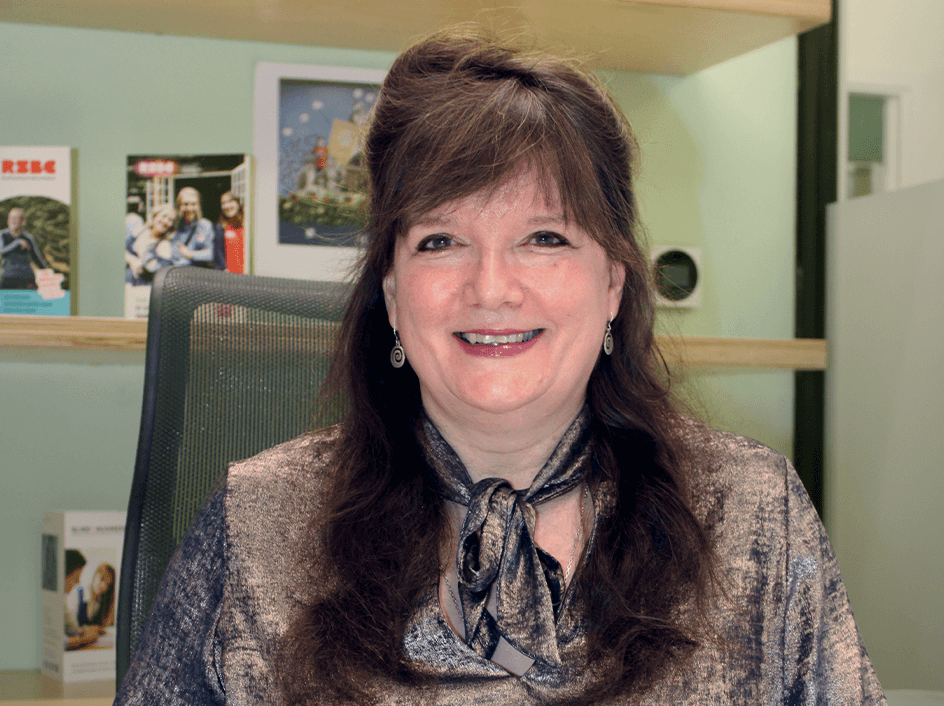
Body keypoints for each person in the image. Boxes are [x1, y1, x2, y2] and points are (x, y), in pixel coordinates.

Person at [116, 31, 886, 705]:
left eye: (544, 237)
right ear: (391, 292)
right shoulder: (257, 524)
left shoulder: (753, 514)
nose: (491, 289)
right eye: (440, 241)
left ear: (613, 284)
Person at [125, 203, 177, 285]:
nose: (165, 221)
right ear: (155, 216)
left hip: (141, 286)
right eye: (163, 216)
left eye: (170, 220)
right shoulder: (141, 230)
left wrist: (142, 260)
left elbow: (159, 272)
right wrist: (132, 260)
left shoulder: (164, 244)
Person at [64, 550, 104, 651]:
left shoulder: (61, 600)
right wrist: (85, 639)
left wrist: (84, 631)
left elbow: (72, 627)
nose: (78, 582)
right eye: (75, 577)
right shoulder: (80, 593)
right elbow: (63, 642)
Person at [0, 207, 49, 289]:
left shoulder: (28, 238)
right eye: (11, 218)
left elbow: (36, 258)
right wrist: (17, 243)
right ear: (8, 221)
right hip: (8, 276)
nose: (13, 220)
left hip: (26, 276)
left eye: (16, 218)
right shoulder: (2, 235)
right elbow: (2, 251)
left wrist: (47, 272)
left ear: (23, 222)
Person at [172, 186, 215, 267]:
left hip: (196, 274)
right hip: (175, 273)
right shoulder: (173, 225)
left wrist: (190, 254)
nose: (189, 208)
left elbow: (212, 253)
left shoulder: (205, 226)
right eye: (185, 204)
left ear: (199, 206)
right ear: (179, 206)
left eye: (193, 204)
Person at [212, 190, 245, 273]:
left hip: (247, 274)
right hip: (229, 276)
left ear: (238, 203)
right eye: (223, 203)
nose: (226, 206)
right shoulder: (220, 227)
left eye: (230, 201)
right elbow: (218, 251)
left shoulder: (247, 225)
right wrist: (224, 269)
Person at [82, 563, 116, 628]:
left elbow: (108, 623)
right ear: (95, 575)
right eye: (102, 579)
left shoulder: (102, 600)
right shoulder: (81, 593)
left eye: (107, 584)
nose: (104, 586)